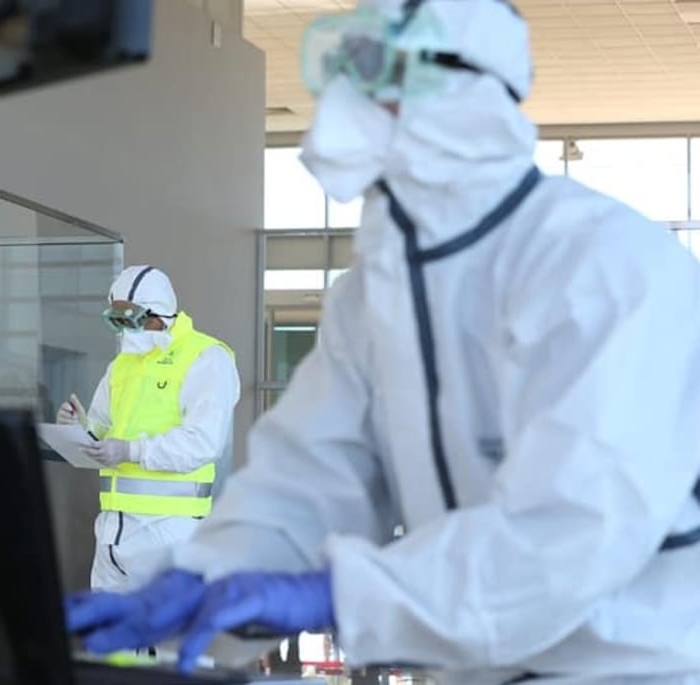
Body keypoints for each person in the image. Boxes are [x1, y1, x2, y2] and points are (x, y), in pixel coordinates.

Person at [66, 1, 700, 683]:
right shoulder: (371, 296)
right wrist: (202, 577)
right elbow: (306, 479)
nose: (346, 96)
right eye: (343, 68)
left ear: (471, 94)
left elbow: (571, 531)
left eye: (376, 72)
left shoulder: (606, 265)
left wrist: (337, 591)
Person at [57, 265, 240, 591]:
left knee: (165, 638)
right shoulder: (122, 364)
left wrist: (131, 451)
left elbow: (202, 443)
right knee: (110, 637)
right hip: (112, 533)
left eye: (131, 319)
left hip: (170, 532)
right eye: (116, 320)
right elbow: (103, 428)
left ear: (160, 313)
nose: (124, 330)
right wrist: (79, 427)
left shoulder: (207, 358)